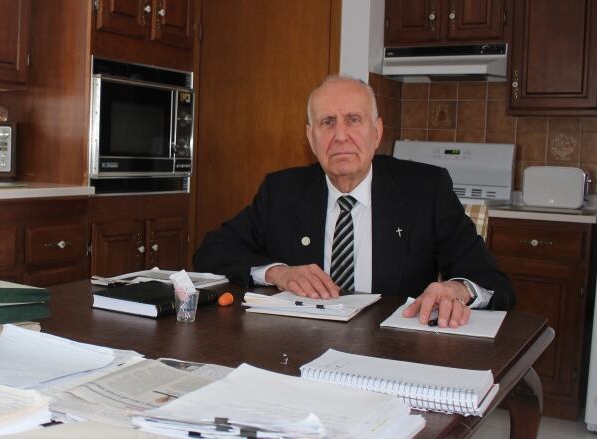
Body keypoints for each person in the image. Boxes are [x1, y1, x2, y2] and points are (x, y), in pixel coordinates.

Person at [193, 75, 513, 328]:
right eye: (327, 122)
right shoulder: (282, 190)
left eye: (354, 120)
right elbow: (212, 252)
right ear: (311, 137)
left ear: (377, 132)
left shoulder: (425, 189)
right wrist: (279, 273)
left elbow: (491, 281)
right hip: (300, 346)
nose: (341, 136)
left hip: (394, 350)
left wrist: (457, 290)